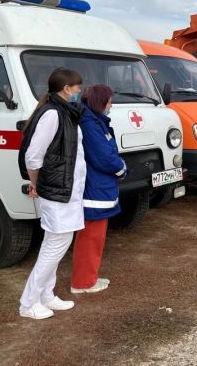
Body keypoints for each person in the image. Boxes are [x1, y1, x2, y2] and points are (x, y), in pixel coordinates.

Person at [18, 68, 85, 320]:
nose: (80, 91)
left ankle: (46, 295)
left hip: (67, 190)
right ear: (66, 89)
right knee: (55, 246)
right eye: (77, 87)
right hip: (56, 191)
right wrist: (37, 183)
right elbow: (33, 156)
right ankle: (28, 302)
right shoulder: (53, 115)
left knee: (55, 244)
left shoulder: (66, 112)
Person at [71, 84, 126, 294]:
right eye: (109, 101)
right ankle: (83, 283)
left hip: (98, 186)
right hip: (95, 188)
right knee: (91, 237)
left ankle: (88, 277)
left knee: (94, 237)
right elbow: (103, 156)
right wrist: (121, 168)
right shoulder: (90, 123)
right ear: (100, 101)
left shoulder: (94, 121)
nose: (111, 106)